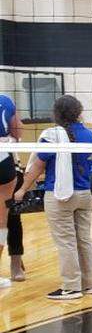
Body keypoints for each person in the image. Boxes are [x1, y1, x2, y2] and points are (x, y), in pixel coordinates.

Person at [13, 95, 92, 299]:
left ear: (56, 114)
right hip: (86, 193)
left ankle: (71, 287)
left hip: (60, 196)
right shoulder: (88, 134)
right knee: (84, 239)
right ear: (78, 112)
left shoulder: (51, 136)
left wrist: (22, 189)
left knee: (66, 241)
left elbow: (36, 167)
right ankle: (90, 284)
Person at [0, 94, 23, 288]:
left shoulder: (6, 101)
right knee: (4, 219)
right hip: (4, 162)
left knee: (8, 218)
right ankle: (15, 266)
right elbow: (17, 133)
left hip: (6, 163)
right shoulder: (5, 100)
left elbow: (17, 133)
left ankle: (16, 264)